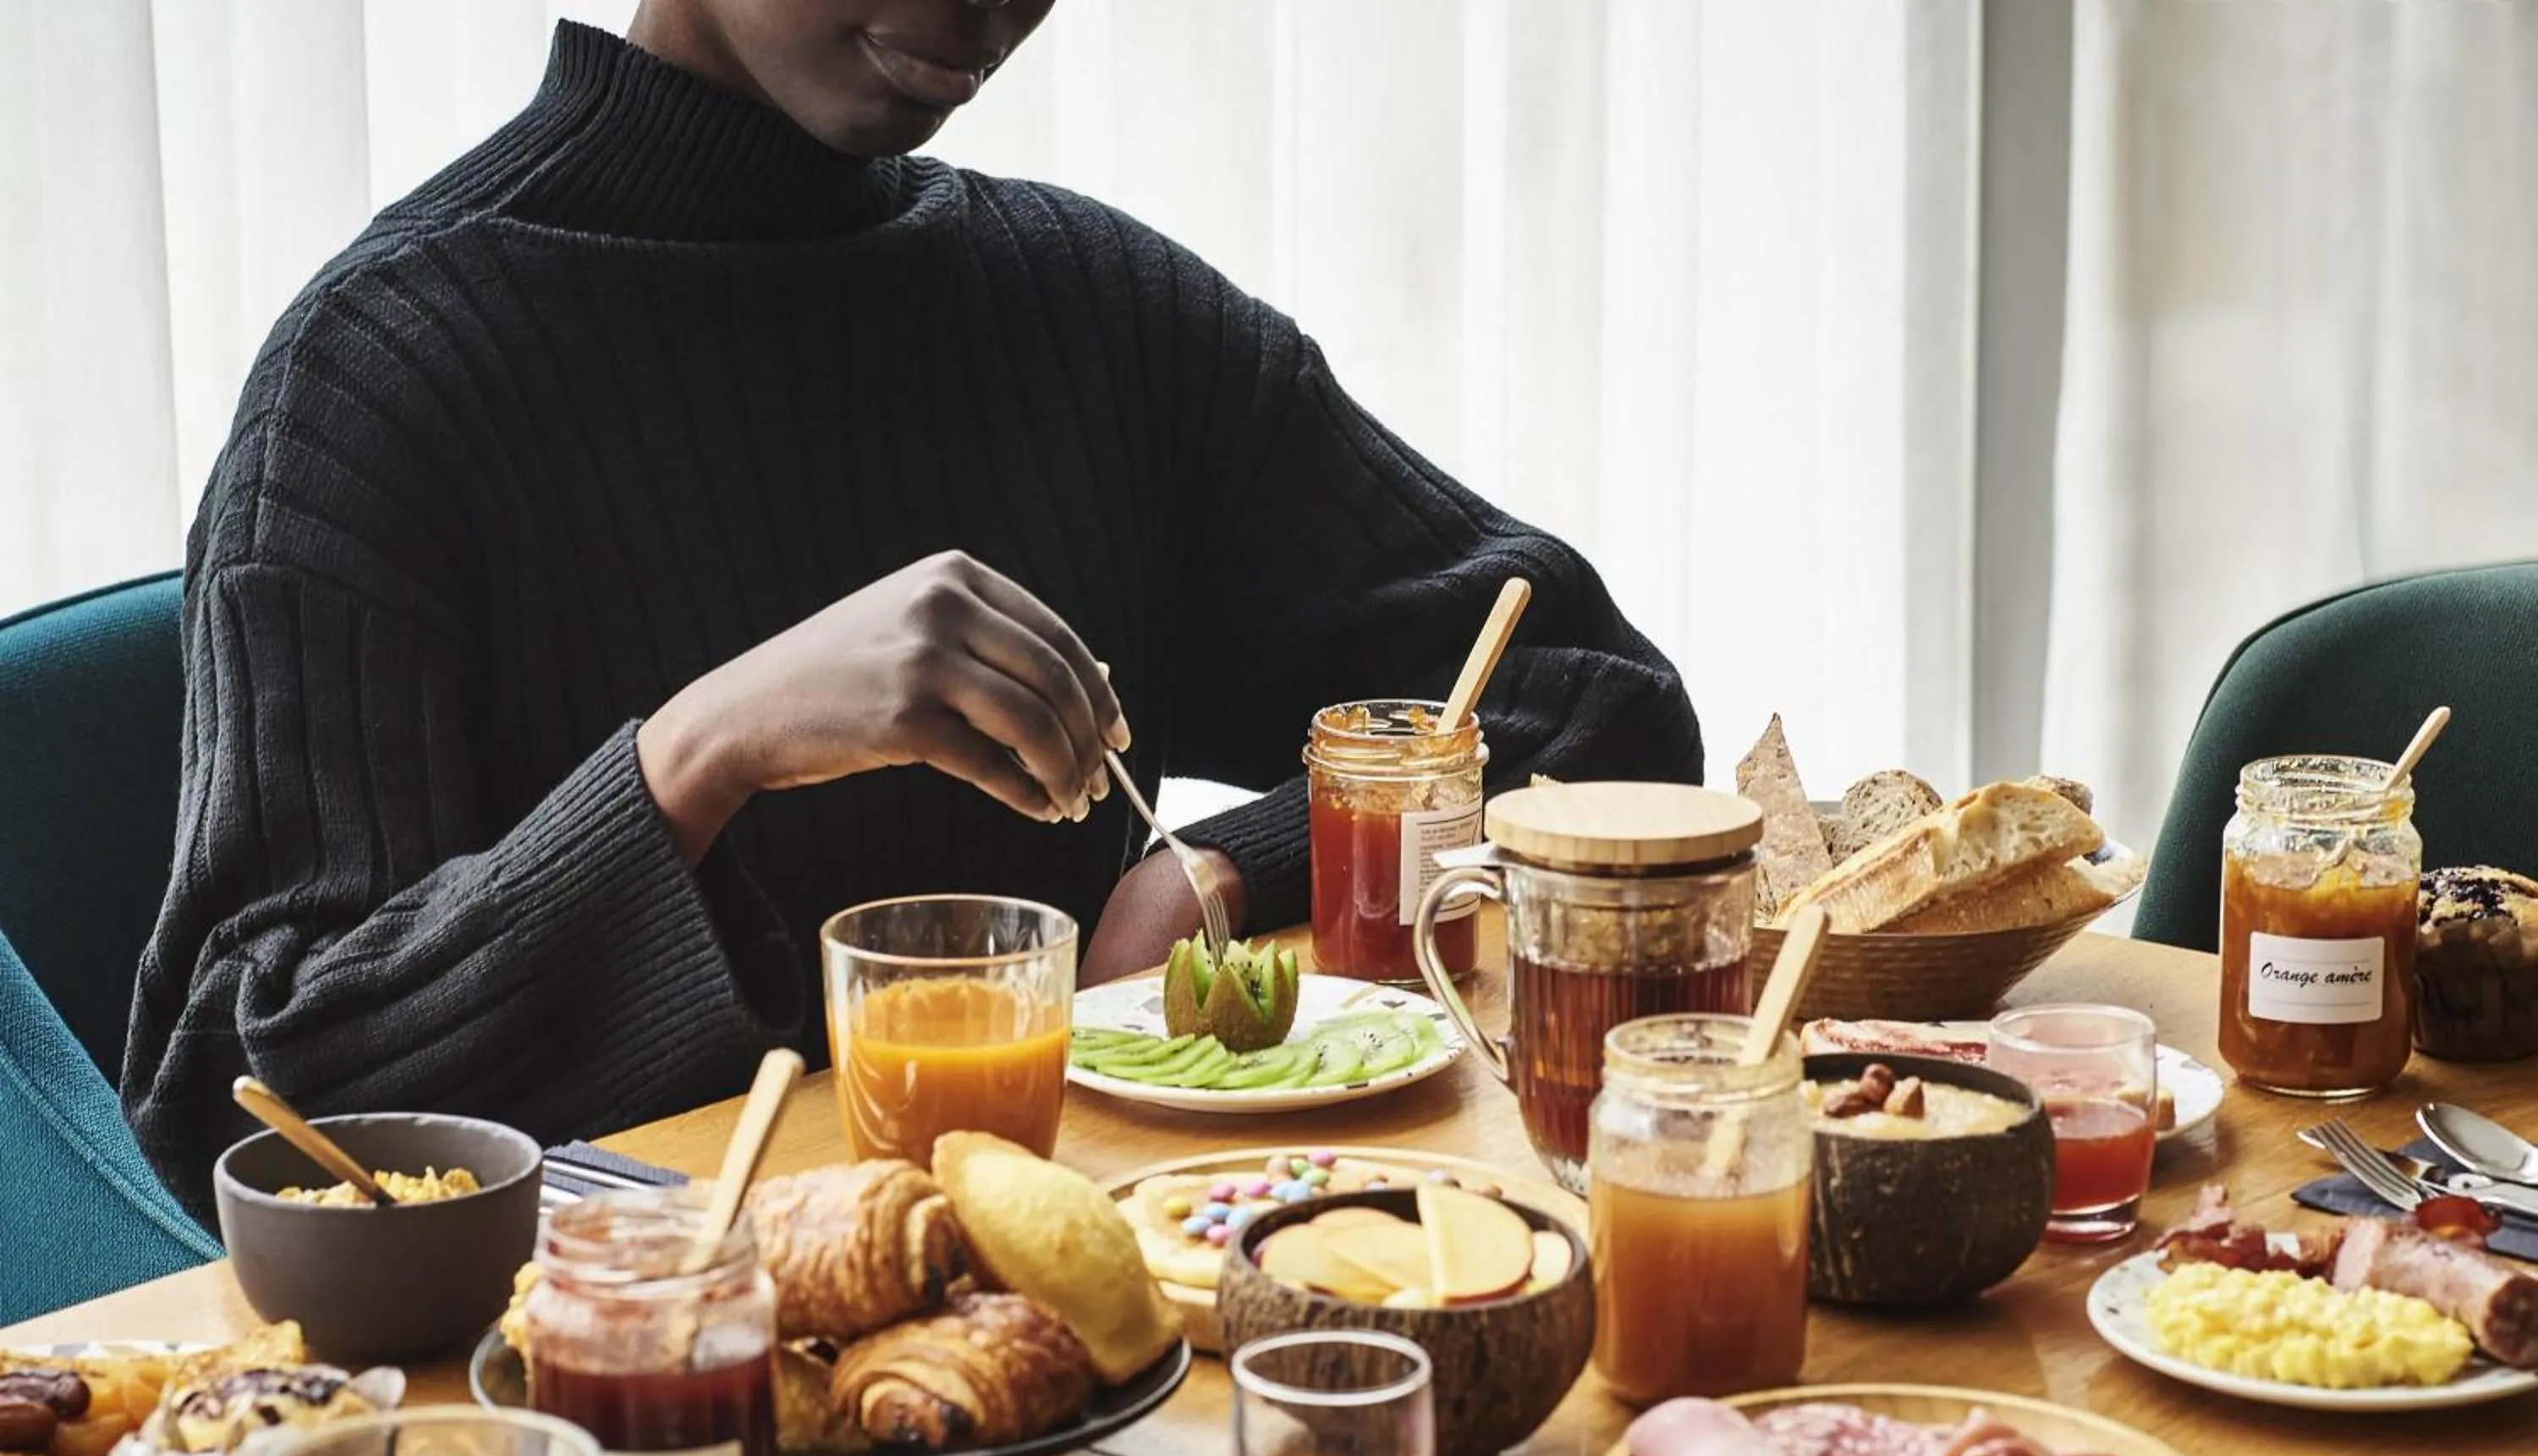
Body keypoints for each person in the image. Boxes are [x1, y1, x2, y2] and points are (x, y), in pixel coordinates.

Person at [124, 0, 1701, 1211]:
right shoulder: (373, 383)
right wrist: (702, 754)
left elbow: (1596, 702)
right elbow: (234, 1108)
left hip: (1109, 1383)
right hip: (596, 1451)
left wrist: (1229, 864)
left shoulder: (1095, 318)